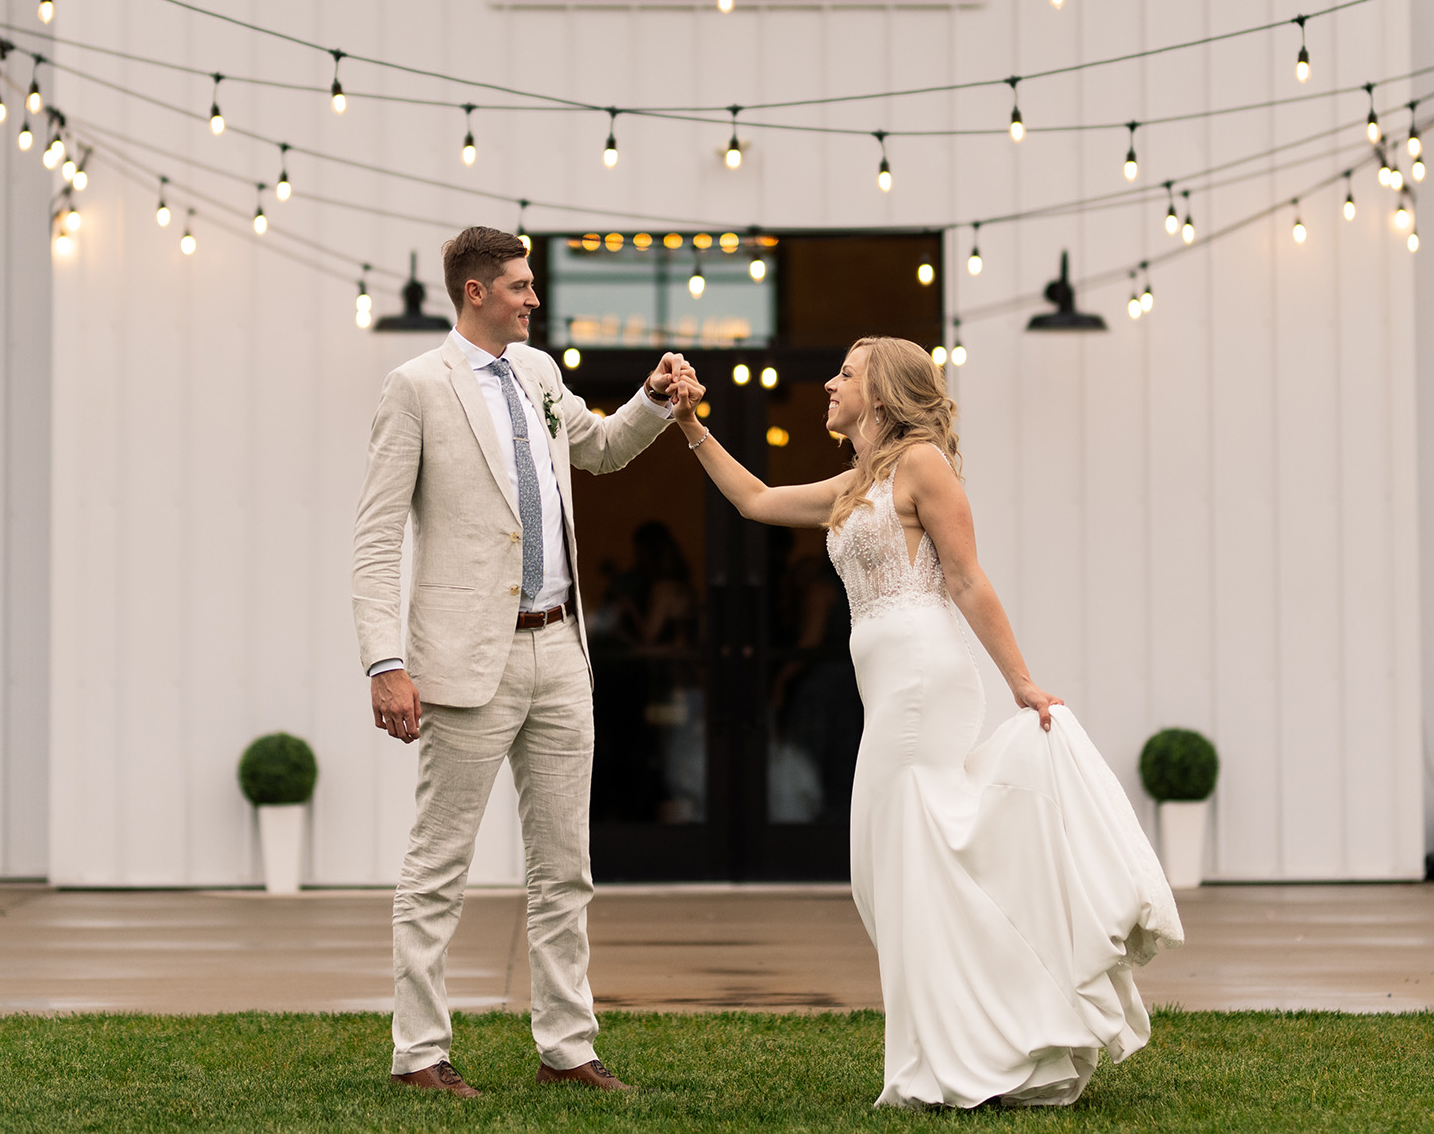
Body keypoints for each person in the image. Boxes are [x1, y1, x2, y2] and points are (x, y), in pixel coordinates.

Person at [673, 336, 1182, 1109]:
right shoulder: (858, 481)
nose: (831, 383)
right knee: (886, 871)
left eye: (846, 372)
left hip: (922, 682)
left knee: (910, 864)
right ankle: (986, 1033)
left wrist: (1022, 681)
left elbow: (968, 577)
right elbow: (755, 500)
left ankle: (936, 1067)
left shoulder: (923, 465)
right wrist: (690, 425)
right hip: (890, 687)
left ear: (880, 392)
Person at [351, 226, 704, 1099]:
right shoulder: (416, 389)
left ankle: (567, 1047)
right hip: (466, 660)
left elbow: (605, 448)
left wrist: (654, 399)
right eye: (518, 285)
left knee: (565, 866)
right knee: (439, 865)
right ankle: (418, 1055)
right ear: (474, 292)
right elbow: (374, 539)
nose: (532, 298)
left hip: (560, 647)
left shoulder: (540, 374)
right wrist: (383, 662)